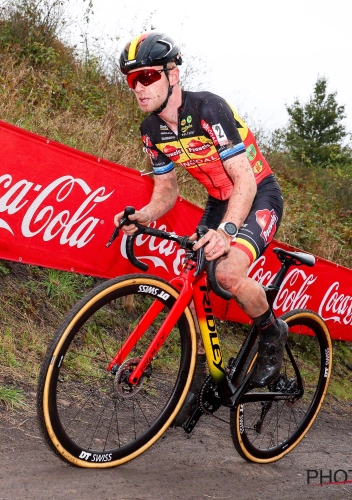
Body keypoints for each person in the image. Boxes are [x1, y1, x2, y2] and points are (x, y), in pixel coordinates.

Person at [113, 32, 289, 421]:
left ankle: (272, 332)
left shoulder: (209, 109)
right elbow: (167, 191)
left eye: (147, 77)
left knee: (226, 272)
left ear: (172, 73)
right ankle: (202, 376)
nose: (138, 88)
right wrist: (142, 216)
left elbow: (243, 181)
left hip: (257, 193)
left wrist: (226, 233)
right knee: (191, 279)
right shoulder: (151, 130)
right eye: (131, 80)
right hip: (217, 199)